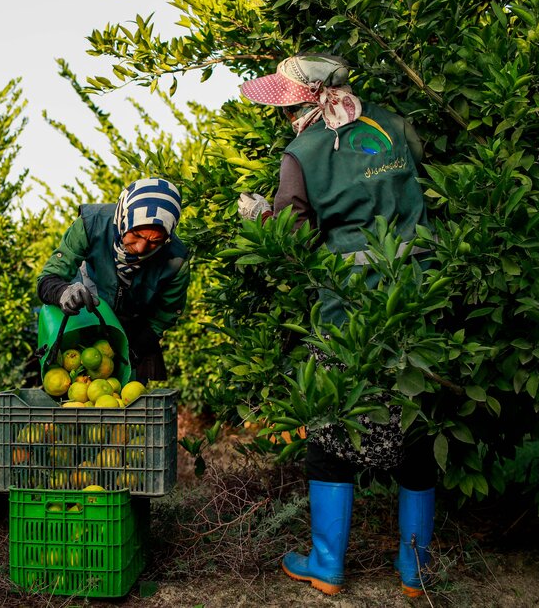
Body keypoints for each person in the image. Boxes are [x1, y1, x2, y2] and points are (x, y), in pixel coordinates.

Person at [236, 54, 437, 598]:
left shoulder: (300, 154)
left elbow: (295, 239)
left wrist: (261, 218)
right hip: (415, 293)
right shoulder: (393, 123)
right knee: (413, 426)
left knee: (331, 428)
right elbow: (423, 174)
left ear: (303, 100)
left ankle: (326, 564)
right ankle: (416, 571)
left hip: (346, 306)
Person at [37, 177, 190, 383]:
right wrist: (62, 292)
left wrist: (132, 350)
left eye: (154, 242)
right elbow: (48, 278)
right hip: (82, 322)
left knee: (134, 400)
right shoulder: (91, 225)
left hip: (134, 332)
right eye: (135, 234)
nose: (141, 248)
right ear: (124, 218)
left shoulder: (175, 260)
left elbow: (165, 315)